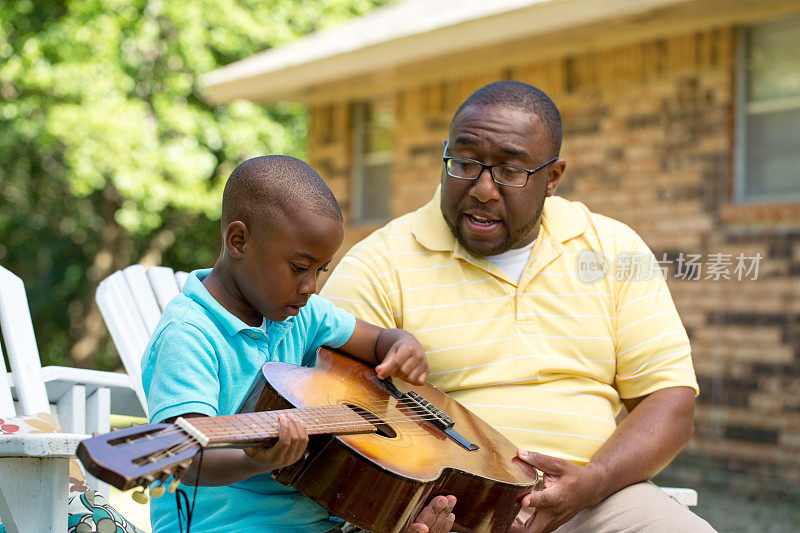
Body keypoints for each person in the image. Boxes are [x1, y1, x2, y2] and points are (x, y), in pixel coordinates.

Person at [321, 81, 715, 532]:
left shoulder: (612, 248)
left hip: (594, 500)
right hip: (440, 510)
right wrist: (399, 508)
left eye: (511, 171)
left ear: (553, 177)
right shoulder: (380, 263)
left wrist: (592, 482)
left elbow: (671, 401)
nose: (483, 189)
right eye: (465, 163)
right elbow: (327, 402)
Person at [141, 155, 434, 533]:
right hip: (223, 525)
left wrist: (401, 343)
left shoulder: (302, 316)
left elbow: (377, 341)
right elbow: (186, 458)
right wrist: (253, 461)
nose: (311, 286)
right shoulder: (188, 335)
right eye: (299, 267)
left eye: (320, 270)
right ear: (239, 241)